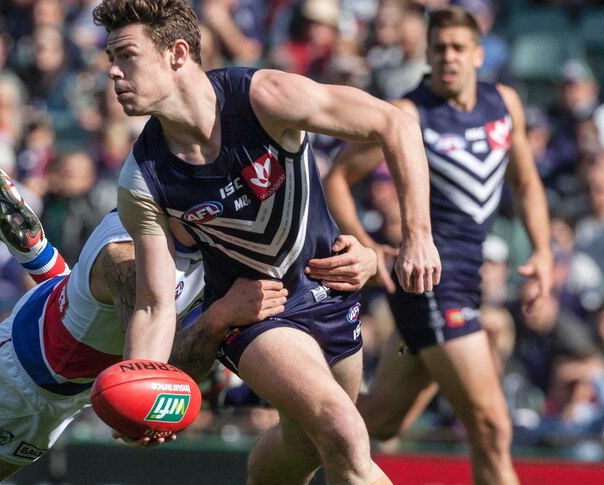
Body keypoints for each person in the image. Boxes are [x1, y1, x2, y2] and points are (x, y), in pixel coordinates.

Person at [97, 1, 440, 483]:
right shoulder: (142, 178)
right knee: (345, 431)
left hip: (327, 290)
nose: (112, 70)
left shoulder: (264, 97)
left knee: (304, 444)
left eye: (126, 55)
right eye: (110, 56)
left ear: (176, 53)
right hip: (253, 314)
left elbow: (395, 123)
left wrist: (417, 236)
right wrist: (143, 383)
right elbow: (155, 307)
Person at [0, 152, 376, 484]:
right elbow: (147, 370)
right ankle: (45, 263)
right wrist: (217, 320)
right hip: (37, 375)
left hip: (94, 341)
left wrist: (365, 257)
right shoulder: (130, 259)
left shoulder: (222, 234)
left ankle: (44, 261)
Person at [324, 8, 553, 485]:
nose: (447, 57)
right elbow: (339, 178)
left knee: (380, 423)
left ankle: (290, 422)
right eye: (439, 48)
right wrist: (371, 248)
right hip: (428, 283)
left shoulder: (504, 102)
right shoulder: (408, 114)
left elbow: (527, 182)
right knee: (491, 426)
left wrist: (544, 253)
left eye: (457, 48)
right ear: (427, 55)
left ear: (478, 55)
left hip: (466, 283)